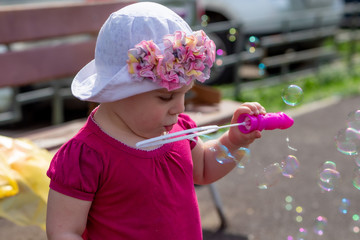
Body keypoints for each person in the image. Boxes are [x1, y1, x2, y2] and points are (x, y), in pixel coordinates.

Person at [46, 2, 265, 240]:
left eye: (186, 93)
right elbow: (64, 231)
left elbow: (202, 169)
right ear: (118, 92)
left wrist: (234, 141)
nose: (180, 108)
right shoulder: (85, 156)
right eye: (166, 97)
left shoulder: (178, 128)